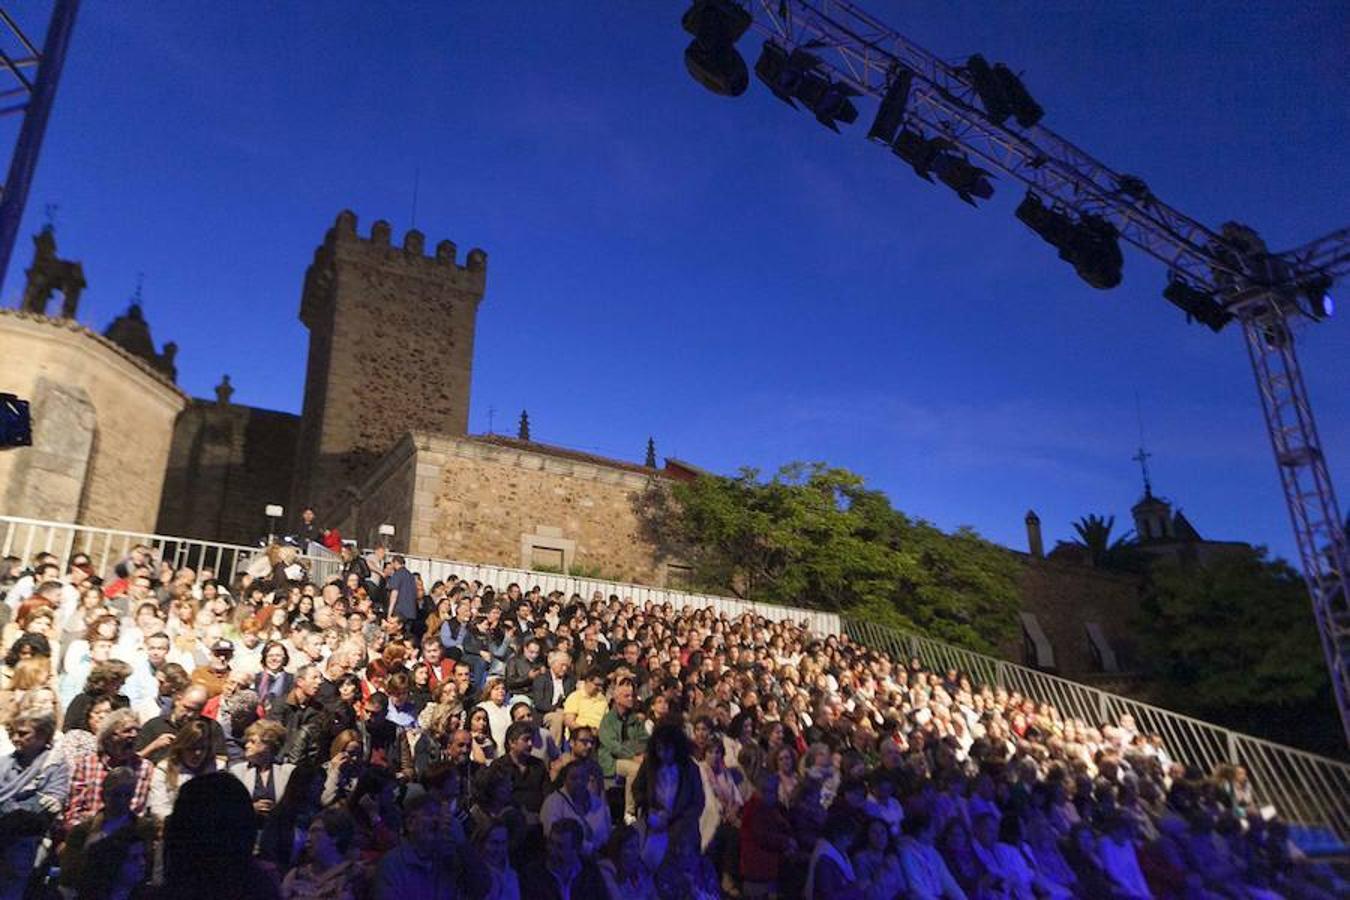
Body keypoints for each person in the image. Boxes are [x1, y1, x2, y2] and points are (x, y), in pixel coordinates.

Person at [0, 712, 68, 898]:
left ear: (43, 735)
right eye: (12, 733)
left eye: (23, 734)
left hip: (30, 836)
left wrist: (12, 810)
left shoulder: (53, 766)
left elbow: (50, 801)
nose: (15, 738)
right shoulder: (4, 764)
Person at [64, 708, 154, 830]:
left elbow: (136, 808)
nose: (134, 735)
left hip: (125, 835)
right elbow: (74, 809)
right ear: (108, 736)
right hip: (87, 833)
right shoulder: (86, 764)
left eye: (137, 731)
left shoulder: (144, 768)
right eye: (127, 731)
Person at [371, 793, 467, 899]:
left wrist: (462, 843)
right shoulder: (392, 866)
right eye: (430, 813)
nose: (436, 820)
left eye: (440, 815)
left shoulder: (448, 858)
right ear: (410, 823)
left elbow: (481, 889)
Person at [280, 805, 368, 900]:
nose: (308, 838)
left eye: (315, 831)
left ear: (335, 836)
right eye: (308, 832)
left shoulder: (353, 876)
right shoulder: (296, 875)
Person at [519, 817, 609, 900]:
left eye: (560, 847)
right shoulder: (533, 875)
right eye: (551, 843)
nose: (552, 851)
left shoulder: (590, 873)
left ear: (576, 849)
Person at [739, 769, 796, 899]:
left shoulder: (771, 808)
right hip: (758, 869)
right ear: (761, 791)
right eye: (772, 791)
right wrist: (786, 842)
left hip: (769, 868)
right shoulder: (755, 808)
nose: (775, 795)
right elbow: (764, 836)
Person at [148, 716, 219, 819]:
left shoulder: (213, 770)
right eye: (192, 748)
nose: (197, 753)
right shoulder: (163, 770)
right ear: (181, 747)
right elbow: (159, 808)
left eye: (202, 748)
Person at [540, 757, 611, 858]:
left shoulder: (598, 803)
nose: (579, 782)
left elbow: (607, 833)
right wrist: (590, 850)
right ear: (565, 779)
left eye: (583, 778)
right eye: (574, 778)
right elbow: (551, 834)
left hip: (600, 857)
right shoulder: (553, 803)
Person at [598, 676, 646, 823]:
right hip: (612, 760)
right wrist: (632, 754)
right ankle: (629, 813)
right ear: (617, 699)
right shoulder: (608, 720)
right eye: (627, 696)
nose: (631, 698)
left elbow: (644, 740)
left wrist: (640, 752)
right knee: (635, 770)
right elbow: (612, 746)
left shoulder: (635, 719)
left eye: (632, 695)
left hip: (632, 757)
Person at [229, 719, 296, 823]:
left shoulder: (288, 772)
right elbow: (231, 807)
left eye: (253, 742)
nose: (247, 746)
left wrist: (277, 809)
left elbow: (296, 807)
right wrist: (251, 809)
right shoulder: (238, 771)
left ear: (268, 745)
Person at [807, 807, 863, 900]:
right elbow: (827, 896)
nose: (850, 843)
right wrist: (857, 892)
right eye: (849, 838)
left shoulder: (839, 853)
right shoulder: (825, 860)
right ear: (838, 835)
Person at [598, 823, 658, 900]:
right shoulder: (606, 871)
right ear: (617, 850)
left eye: (637, 845)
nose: (636, 851)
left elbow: (652, 893)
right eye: (630, 847)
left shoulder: (638, 867)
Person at [472, 818, 522, 900]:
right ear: (481, 843)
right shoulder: (473, 875)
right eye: (494, 843)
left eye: (503, 843)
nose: (499, 849)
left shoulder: (513, 875)